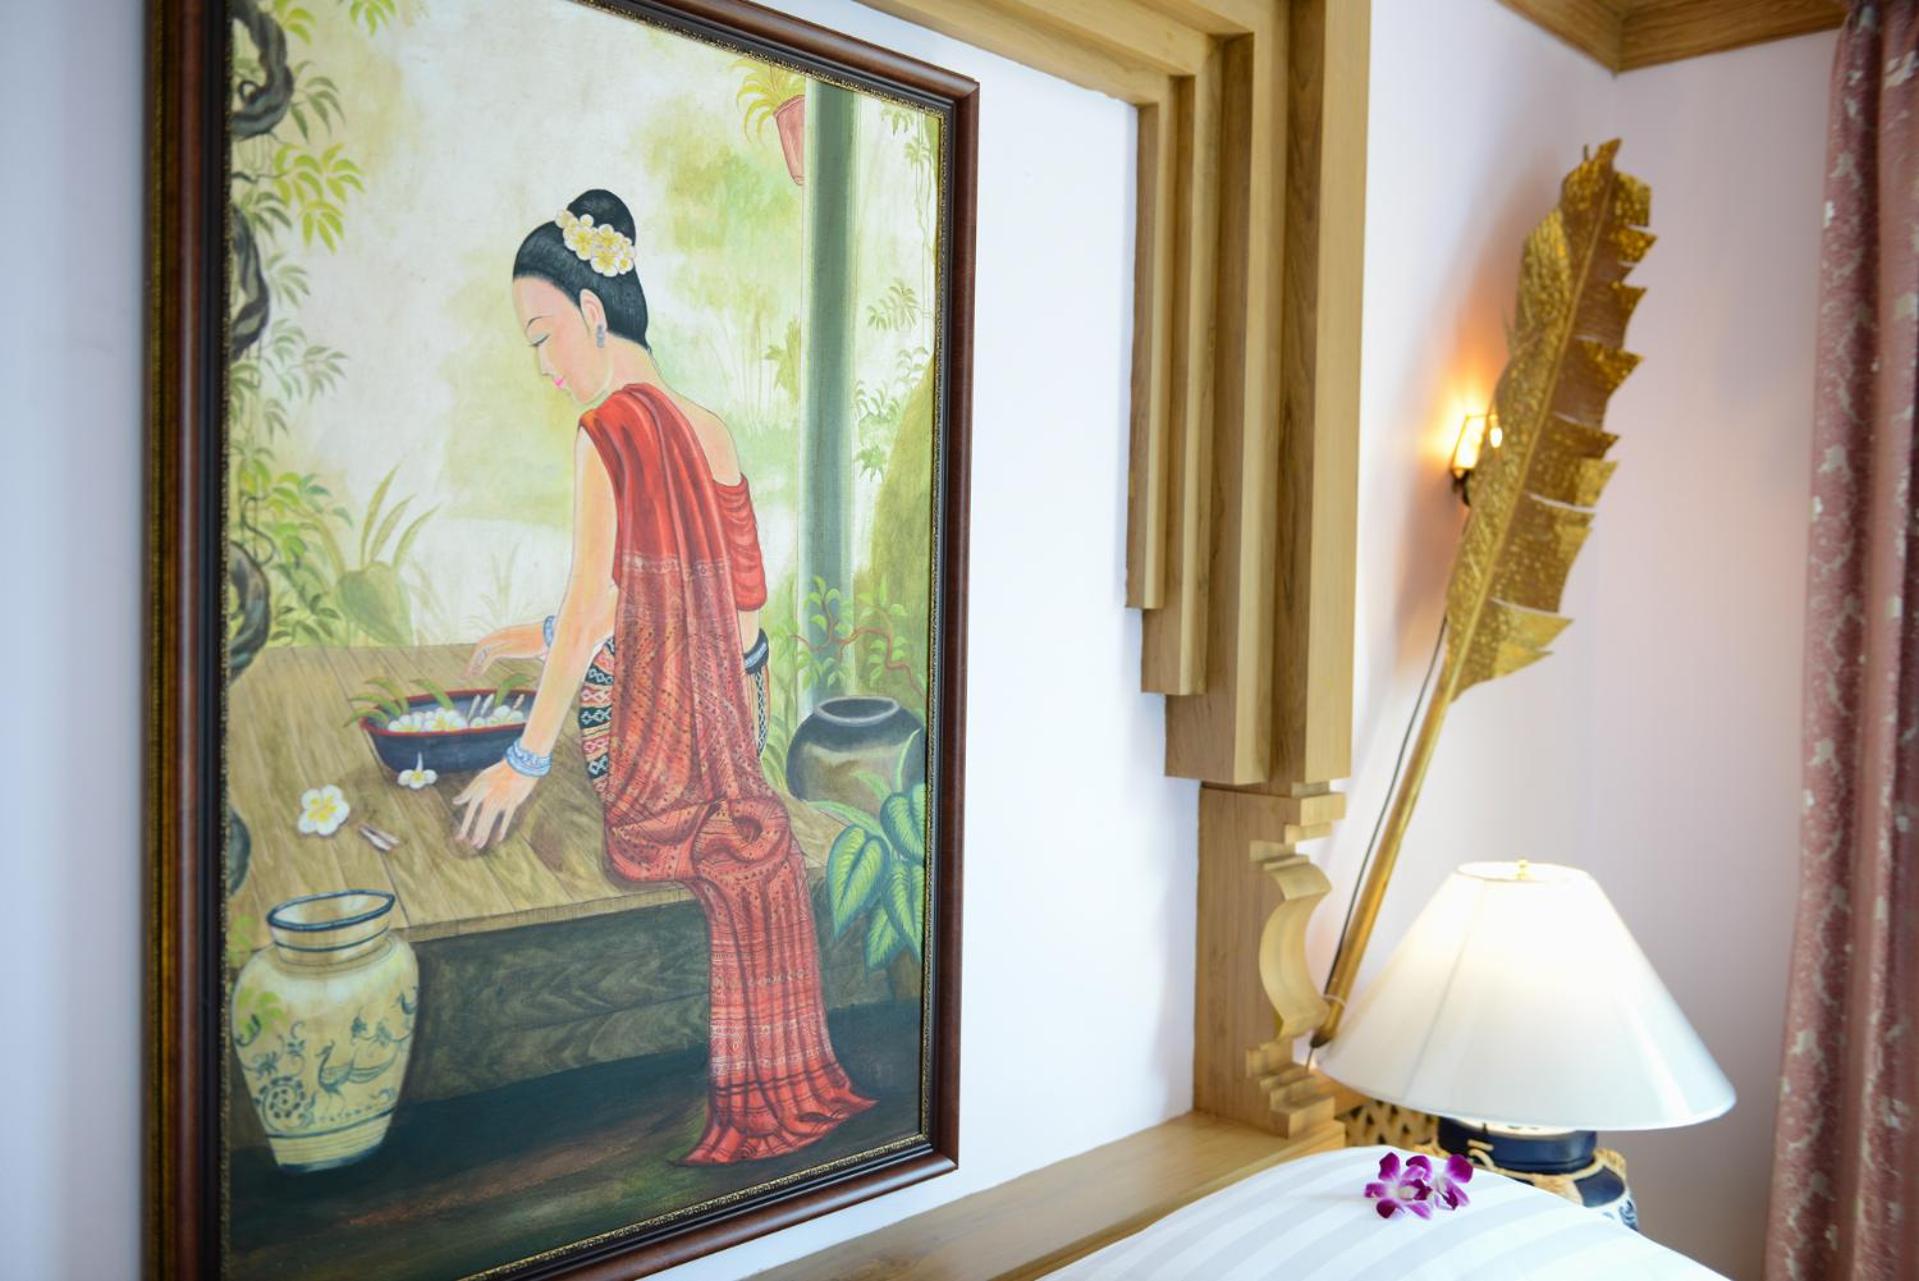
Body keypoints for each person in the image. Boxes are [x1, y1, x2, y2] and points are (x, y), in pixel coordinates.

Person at [456, 189, 873, 1163]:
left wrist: (525, 759)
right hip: (729, 734)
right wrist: (714, 724)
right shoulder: (710, 429)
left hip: (653, 767)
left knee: (526, 746)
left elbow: (600, 609)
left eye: (542, 336)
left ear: (590, 311)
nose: (544, 365)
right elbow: (737, 612)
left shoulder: (605, 430)